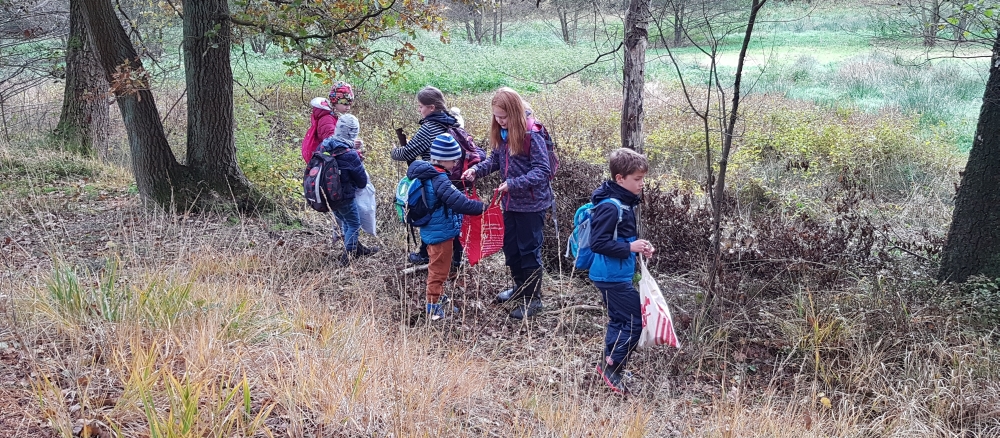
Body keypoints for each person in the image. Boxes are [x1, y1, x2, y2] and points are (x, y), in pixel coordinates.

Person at [462, 87, 553, 320]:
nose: (500, 121)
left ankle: (533, 299)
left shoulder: (532, 134)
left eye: (504, 117)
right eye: (496, 116)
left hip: (532, 205)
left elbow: (542, 170)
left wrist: (513, 184)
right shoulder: (502, 135)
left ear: (515, 112)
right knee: (511, 249)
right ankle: (519, 288)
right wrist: (475, 170)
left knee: (529, 251)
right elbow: (494, 161)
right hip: (509, 203)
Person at [588, 148, 655, 394]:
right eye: (637, 179)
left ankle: (608, 362)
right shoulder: (612, 206)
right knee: (635, 320)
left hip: (616, 274)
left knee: (619, 319)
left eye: (642, 178)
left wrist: (639, 247)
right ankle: (612, 368)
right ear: (620, 179)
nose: (641, 184)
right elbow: (598, 243)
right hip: (610, 277)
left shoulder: (624, 204)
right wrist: (630, 246)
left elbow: (621, 238)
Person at [406, 134, 485, 320]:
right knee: (438, 271)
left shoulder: (428, 173)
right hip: (440, 234)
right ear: (443, 159)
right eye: (454, 160)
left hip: (433, 229)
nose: (456, 163)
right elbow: (458, 203)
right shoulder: (439, 178)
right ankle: (433, 306)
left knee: (441, 267)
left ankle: (438, 298)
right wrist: (482, 207)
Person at [391, 86, 466, 267]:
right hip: (455, 176)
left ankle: (429, 255)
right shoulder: (451, 122)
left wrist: (394, 150)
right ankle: (455, 257)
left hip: (435, 178)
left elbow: (407, 153)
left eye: (421, 106)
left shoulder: (429, 127)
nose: (419, 109)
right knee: (449, 217)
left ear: (431, 107)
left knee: (431, 215)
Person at [319, 114, 379, 265]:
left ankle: (355, 248)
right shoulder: (350, 155)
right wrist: (357, 161)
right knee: (354, 223)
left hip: (328, 194)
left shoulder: (325, 146)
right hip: (344, 196)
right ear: (353, 133)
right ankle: (349, 255)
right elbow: (362, 182)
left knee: (346, 220)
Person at [302, 81, 362, 163]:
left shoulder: (335, 115)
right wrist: (351, 145)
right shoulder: (327, 119)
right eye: (345, 103)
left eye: (350, 104)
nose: (348, 107)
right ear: (334, 101)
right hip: (325, 162)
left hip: (330, 159)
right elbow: (331, 143)